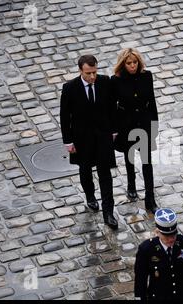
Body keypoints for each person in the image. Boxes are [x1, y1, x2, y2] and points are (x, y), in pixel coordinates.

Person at [59, 54, 118, 229]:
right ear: (80, 71)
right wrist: (68, 141)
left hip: (103, 137)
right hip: (82, 139)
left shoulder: (105, 81)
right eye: (88, 73)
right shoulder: (70, 88)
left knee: (105, 175)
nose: (92, 76)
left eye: (94, 72)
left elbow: (111, 107)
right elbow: (65, 116)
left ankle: (108, 212)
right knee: (85, 171)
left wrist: (114, 130)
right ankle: (90, 196)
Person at [111, 48, 159, 214]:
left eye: (135, 62)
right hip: (126, 124)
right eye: (129, 63)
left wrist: (154, 125)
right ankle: (131, 185)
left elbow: (151, 101)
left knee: (147, 161)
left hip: (144, 122)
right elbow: (113, 106)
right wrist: (115, 129)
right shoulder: (116, 80)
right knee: (129, 156)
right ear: (123, 64)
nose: (132, 66)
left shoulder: (147, 76)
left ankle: (150, 197)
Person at [134, 208, 183, 300]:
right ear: (157, 232)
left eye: (173, 235)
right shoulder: (146, 249)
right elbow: (141, 281)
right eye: (166, 236)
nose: (171, 239)